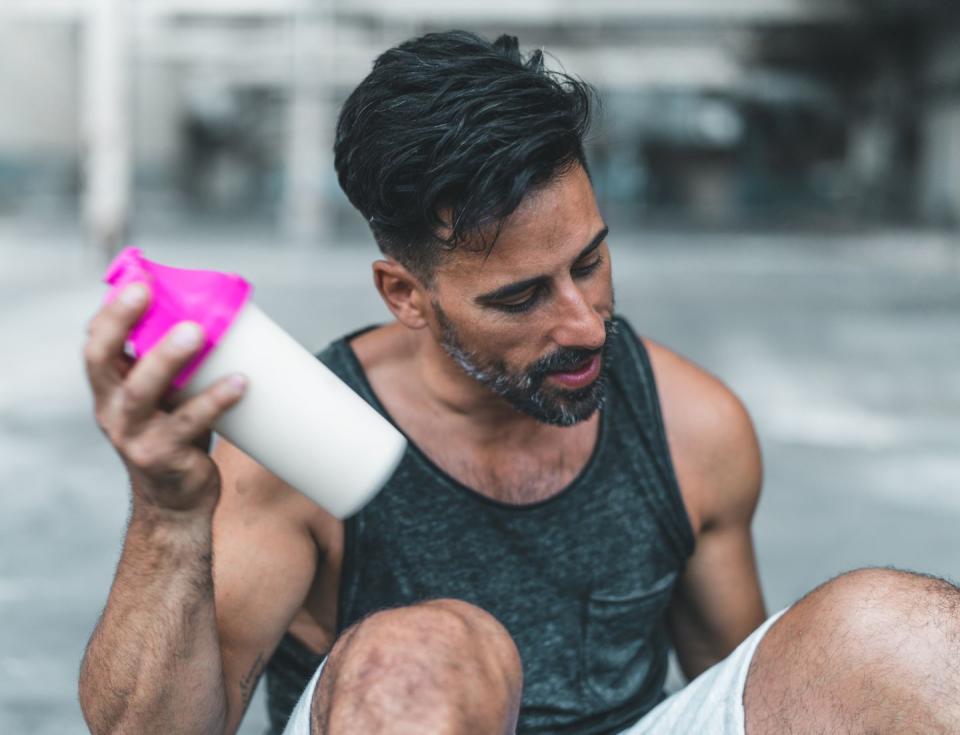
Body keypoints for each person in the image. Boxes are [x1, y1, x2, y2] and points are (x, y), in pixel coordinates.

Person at [78, 31, 960, 735]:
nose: (584, 323)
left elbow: (761, 692)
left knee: (893, 627)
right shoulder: (292, 453)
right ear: (407, 297)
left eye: (591, 261)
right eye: (521, 296)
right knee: (428, 649)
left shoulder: (694, 426)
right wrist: (166, 513)